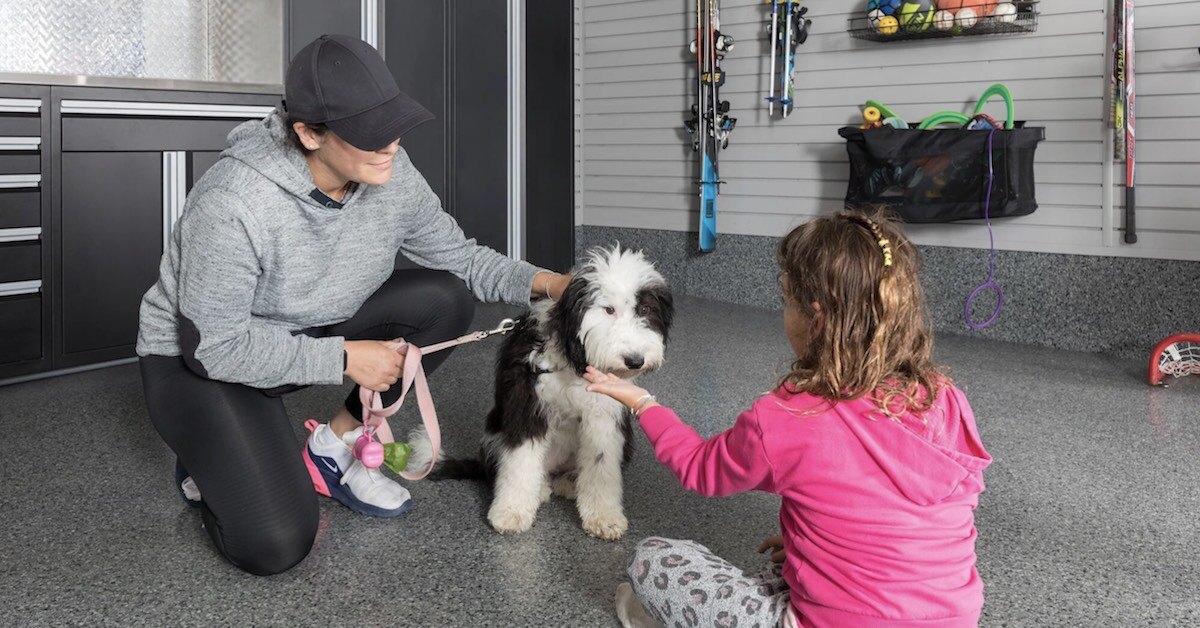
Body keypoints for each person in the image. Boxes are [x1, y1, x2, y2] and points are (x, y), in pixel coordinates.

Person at [136, 34, 570, 576]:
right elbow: (216, 347)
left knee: (444, 299)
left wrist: (553, 284)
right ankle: (208, 451)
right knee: (275, 544)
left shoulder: (389, 169)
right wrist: (342, 357)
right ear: (308, 134)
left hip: (306, 330)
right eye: (369, 132)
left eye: (392, 123)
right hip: (200, 362)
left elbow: (461, 259)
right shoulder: (234, 201)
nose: (389, 143)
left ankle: (333, 447)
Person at [585, 210, 992, 627]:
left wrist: (643, 402)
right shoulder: (946, 397)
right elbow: (917, 517)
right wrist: (817, 545)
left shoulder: (792, 414)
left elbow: (699, 468)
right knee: (788, 565)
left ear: (813, 315)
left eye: (786, 300)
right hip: (953, 618)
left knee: (653, 561)